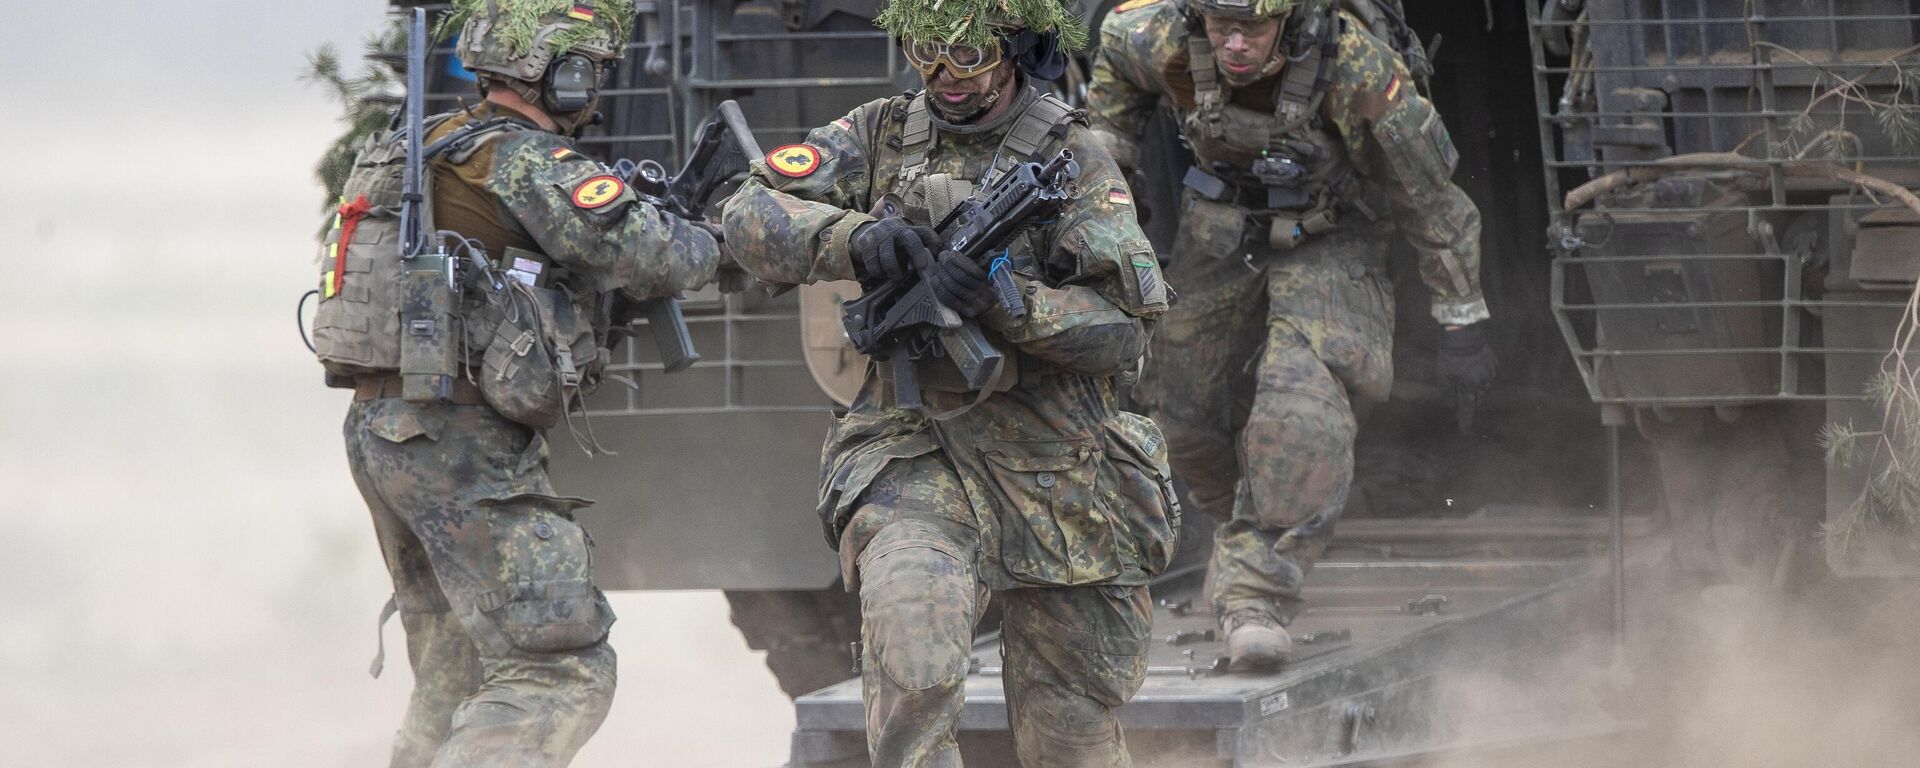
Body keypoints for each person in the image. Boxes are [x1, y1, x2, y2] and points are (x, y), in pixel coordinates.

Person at [720, 0, 1178, 763]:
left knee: (1070, 729)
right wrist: (855, 238)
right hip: (914, 449)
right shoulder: (881, 132)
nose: (944, 75)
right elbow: (747, 211)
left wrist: (1008, 300)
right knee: (916, 664)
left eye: (968, 55)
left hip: (1056, 465)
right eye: (925, 50)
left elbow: (1125, 328)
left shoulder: (1073, 157)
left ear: (1014, 50)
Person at [310, 1, 724, 764]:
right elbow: (661, 257)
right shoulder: (527, 160)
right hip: (458, 441)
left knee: (455, 676)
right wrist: (717, 234)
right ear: (562, 76)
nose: (597, 88)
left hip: (385, 431)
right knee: (556, 668)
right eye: (591, 71)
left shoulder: (423, 143)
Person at [1087, 0, 1496, 670]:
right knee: (1178, 412)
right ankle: (1251, 526)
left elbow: (1431, 197)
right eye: (1221, 26)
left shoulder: (1355, 63)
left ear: (1288, 19)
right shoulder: (1154, 35)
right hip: (1221, 227)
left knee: (1300, 411)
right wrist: (1109, 190)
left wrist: (1463, 317)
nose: (1235, 44)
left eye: (1252, 27)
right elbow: (1110, 105)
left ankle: (1256, 594)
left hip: (1335, 235)